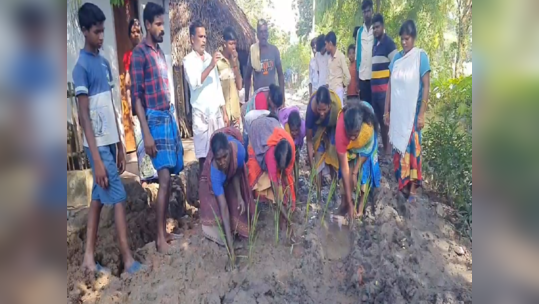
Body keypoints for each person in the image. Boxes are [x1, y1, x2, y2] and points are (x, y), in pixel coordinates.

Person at [73, 3, 142, 273]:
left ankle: (88, 259)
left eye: (103, 32)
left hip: (110, 144)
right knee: (119, 197)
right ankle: (127, 260)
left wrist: (121, 147)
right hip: (96, 145)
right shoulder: (81, 68)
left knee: (98, 199)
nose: (102, 37)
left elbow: (111, 107)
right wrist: (98, 162)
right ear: (84, 31)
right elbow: (84, 117)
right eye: (97, 32)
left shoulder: (103, 63)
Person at [131, 2, 184, 254]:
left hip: (167, 117)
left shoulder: (160, 53)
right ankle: (159, 240)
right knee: (163, 179)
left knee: (168, 176)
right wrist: (146, 133)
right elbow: (137, 98)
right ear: (148, 25)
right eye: (159, 24)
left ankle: (163, 233)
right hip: (153, 120)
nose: (163, 28)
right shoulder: (139, 54)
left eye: (164, 24)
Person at [385, 20, 431, 203]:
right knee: (399, 148)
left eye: (407, 39)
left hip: (412, 114)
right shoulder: (397, 59)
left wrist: (422, 113)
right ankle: (401, 184)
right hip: (398, 113)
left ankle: (412, 187)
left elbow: (426, 86)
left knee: (412, 150)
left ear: (414, 38)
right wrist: (386, 110)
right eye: (402, 39)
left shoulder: (420, 57)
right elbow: (390, 85)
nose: (404, 42)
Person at [199, 128, 254, 260]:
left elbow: (236, 171)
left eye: (225, 156)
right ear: (214, 158)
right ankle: (228, 239)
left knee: (238, 205)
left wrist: (240, 196)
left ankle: (235, 231)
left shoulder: (239, 152)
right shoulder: (214, 171)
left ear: (230, 151)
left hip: (234, 169)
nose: (223, 162)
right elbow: (223, 207)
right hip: (215, 180)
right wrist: (231, 251)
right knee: (218, 218)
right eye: (219, 159)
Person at [183, 20, 228, 172]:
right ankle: (205, 191)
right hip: (200, 115)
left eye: (205, 37)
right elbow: (195, 82)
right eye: (200, 37)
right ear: (192, 39)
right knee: (203, 157)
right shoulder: (188, 60)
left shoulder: (210, 57)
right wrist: (210, 66)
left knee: (220, 152)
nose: (203, 40)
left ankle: (218, 189)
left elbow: (217, 86)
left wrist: (224, 109)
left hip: (215, 113)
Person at [246, 115, 296, 239]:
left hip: (270, 124)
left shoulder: (291, 150)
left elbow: (286, 176)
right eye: (280, 166)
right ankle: (256, 205)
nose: (282, 169)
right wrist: (288, 219)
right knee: (254, 173)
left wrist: (289, 197)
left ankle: (283, 218)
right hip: (256, 128)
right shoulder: (270, 156)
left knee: (284, 181)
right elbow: (277, 195)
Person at [123, 18, 158, 182]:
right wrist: (129, 109)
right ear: (129, 36)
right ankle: (145, 177)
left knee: (154, 138)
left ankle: (157, 173)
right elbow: (128, 83)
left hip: (152, 104)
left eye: (138, 32)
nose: (136, 35)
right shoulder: (129, 56)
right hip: (138, 105)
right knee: (140, 139)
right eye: (133, 32)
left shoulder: (150, 52)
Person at [335, 101, 381, 218]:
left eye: (355, 134)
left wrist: (355, 171)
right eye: (349, 134)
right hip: (350, 149)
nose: (352, 137)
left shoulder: (368, 129)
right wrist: (350, 203)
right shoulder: (340, 131)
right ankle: (345, 202)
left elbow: (367, 152)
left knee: (364, 174)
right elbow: (344, 168)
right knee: (345, 175)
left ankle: (361, 207)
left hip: (365, 148)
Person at [305, 86, 342, 192]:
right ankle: (318, 192)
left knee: (332, 153)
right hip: (318, 127)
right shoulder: (311, 111)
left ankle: (335, 189)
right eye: (319, 109)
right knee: (318, 155)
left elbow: (340, 132)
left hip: (333, 125)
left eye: (324, 109)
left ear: (329, 106)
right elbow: (309, 140)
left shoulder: (336, 109)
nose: (321, 113)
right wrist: (312, 167)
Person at [371, 14, 397, 159]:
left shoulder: (389, 44)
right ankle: (386, 148)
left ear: (383, 27)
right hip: (375, 92)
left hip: (385, 92)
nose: (375, 30)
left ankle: (389, 151)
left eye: (377, 27)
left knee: (387, 121)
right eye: (373, 28)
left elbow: (396, 68)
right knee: (380, 122)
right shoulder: (375, 46)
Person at [245, 19, 285, 104]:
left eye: (265, 31)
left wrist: (282, 98)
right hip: (258, 97)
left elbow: (280, 75)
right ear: (257, 35)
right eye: (261, 32)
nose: (263, 35)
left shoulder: (274, 51)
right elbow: (247, 77)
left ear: (268, 33)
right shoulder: (253, 51)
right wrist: (246, 99)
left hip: (272, 97)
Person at [216, 27, 243, 129]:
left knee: (236, 142)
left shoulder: (235, 61)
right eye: (231, 44)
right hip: (223, 114)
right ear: (224, 44)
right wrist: (223, 113)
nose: (233, 47)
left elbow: (240, 86)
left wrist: (235, 64)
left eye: (235, 44)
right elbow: (216, 89)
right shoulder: (217, 62)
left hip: (235, 113)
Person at [355, 0, 374, 105]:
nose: (366, 14)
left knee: (373, 106)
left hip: (374, 75)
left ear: (372, 11)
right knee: (363, 106)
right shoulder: (360, 32)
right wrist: (357, 79)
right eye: (364, 12)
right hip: (362, 76)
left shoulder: (376, 29)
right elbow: (358, 55)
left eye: (368, 11)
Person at [325, 31, 351, 105]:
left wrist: (342, 86)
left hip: (338, 92)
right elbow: (328, 75)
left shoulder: (340, 56)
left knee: (338, 113)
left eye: (326, 44)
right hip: (330, 92)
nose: (325, 47)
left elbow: (348, 77)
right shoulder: (329, 58)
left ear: (330, 44)